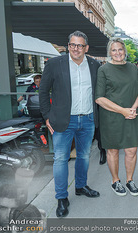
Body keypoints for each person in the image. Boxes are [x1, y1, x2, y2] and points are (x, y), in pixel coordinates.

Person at [39, 30, 101, 218]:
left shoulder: (94, 65)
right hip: (63, 120)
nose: (76, 48)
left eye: (80, 45)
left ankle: (81, 186)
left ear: (86, 48)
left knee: (83, 156)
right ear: (68, 46)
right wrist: (47, 116)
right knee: (60, 159)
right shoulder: (55, 64)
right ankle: (61, 198)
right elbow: (43, 91)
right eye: (73, 45)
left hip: (88, 118)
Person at [95, 38, 138, 197]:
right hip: (111, 117)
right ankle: (115, 181)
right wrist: (122, 111)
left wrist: (133, 108)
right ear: (109, 53)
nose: (117, 53)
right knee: (113, 150)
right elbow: (99, 98)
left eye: (120, 49)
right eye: (114, 50)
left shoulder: (132, 68)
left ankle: (129, 180)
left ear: (124, 51)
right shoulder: (103, 70)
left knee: (131, 150)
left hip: (131, 115)